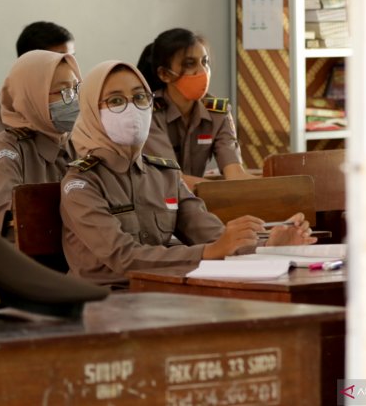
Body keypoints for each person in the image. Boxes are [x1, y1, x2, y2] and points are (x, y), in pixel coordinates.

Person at [60, 60, 315, 287]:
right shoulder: (82, 182)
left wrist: (267, 246)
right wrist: (209, 251)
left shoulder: (164, 174)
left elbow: (209, 233)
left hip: (162, 292)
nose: (132, 109)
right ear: (92, 111)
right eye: (116, 101)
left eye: (140, 97)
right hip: (102, 300)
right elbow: (124, 257)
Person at [0, 50, 82, 234]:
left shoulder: (79, 142)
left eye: (75, 89)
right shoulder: (8, 147)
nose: (73, 100)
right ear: (31, 96)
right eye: (62, 91)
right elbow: (11, 218)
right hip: (12, 254)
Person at [138, 28, 255, 191]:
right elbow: (172, 178)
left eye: (205, 62)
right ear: (164, 74)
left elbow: (235, 173)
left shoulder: (218, 112)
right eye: (189, 64)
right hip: (157, 203)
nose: (202, 71)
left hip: (197, 200)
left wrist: (271, 190)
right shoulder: (148, 113)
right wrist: (224, 190)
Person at [0, 21, 75, 142]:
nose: (69, 66)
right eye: (59, 59)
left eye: (71, 58)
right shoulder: (5, 105)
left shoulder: (75, 94)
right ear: (29, 62)